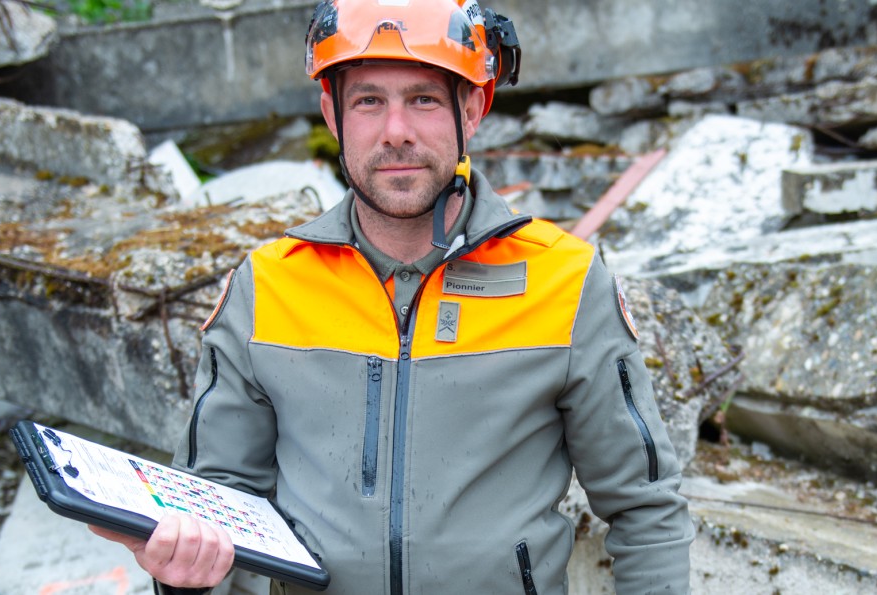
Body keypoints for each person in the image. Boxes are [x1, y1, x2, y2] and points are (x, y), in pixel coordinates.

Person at [92, 0, 694, 592]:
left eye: (424, 99)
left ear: (474, 106)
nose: (396, 132)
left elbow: (645, 510)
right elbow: (215, 506)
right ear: (332, 114)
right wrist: (183, 581)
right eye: (368, 101)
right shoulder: (268, 285)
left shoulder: (565, 281)